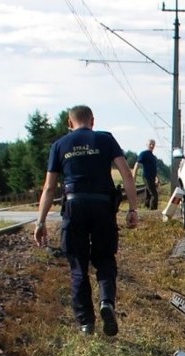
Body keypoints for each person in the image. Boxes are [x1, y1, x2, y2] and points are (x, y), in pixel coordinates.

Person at [34, 105, 139, 336]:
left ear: (69, 123)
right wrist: (133, 208)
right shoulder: (106, 139)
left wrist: (40, 222)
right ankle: (106, 302)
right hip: (103, 206)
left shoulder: (59, 145)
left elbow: (49, 187)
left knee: (78, 265)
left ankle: (86, 323)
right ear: (92, 121)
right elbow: (127, 174)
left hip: (74, 206)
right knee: (105, 259)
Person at [133, 138, 159, 209]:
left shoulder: (153, 157)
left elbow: (154, 169)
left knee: (148, 194)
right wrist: (133, 177)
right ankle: (153, 210)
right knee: (154, 195)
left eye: (153, 144)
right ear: (147, 145)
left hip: (152, 177)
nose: (151, 146)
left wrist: (157, 178)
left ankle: (146, 207)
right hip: (147, 177)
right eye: (150, 144)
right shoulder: (143, 154)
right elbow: (137, 165)